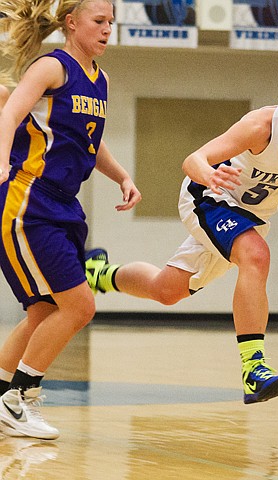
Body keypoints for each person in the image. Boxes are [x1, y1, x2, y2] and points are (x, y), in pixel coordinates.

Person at [82, 57, 278, 405]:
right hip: (208, 197)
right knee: (256, 255)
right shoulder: (263, 126)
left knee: (167, 290)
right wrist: (209, 174)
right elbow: (193, 160)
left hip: (248, 219)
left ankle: (100, 274)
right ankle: (254, 369)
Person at [0, 0, 141, 440]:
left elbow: (88, 143)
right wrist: (2, 160)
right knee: (79, 306)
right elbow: (11, 112)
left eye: (111, 23)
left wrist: (122, 175)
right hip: (28, 197)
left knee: (45, 310)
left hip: (63, 203)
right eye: (99, 22)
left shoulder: (100, 81)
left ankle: (3, 394)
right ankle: (20, 398)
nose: (106, 30)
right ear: (71, 23)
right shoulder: (51, 67)